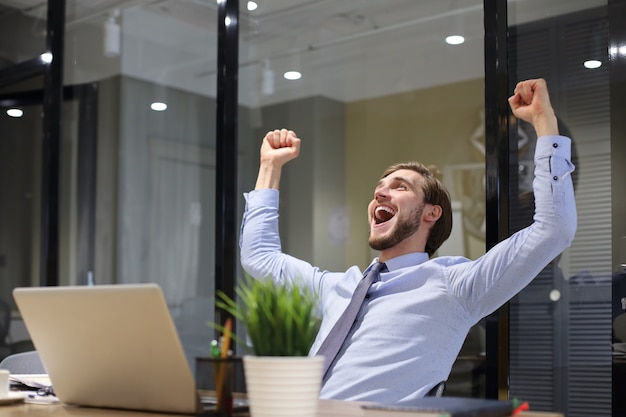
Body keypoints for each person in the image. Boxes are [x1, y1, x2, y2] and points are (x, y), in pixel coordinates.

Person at [239, 78, 577, 404]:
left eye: (400, 186)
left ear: (432, 213)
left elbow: (553, 229)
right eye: (379, 188)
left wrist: (543, 123)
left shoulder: (455, 286)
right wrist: (270, 167)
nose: (380, 192)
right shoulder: (337, 288)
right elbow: (259, 257)